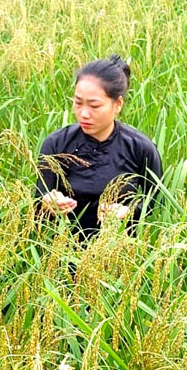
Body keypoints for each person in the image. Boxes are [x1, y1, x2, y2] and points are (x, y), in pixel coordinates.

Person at [37, 54, 163, 238]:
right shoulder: (56, 144)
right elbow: (39, 197)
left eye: (94, 106)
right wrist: (49, 202)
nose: (84, 114)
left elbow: (157, 203)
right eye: (78, 103)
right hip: (63, 252)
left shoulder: (140, 148)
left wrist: (128, 212)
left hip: (118, 251)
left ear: (118, 104)